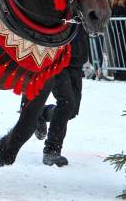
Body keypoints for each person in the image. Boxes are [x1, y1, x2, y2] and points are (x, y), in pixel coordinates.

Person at [33, 27, 89, 167]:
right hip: (58, 60)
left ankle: (38, 113)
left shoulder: (81, 8)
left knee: (71, 111)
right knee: (66, 102)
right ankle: (51, 150)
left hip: (76, 62)